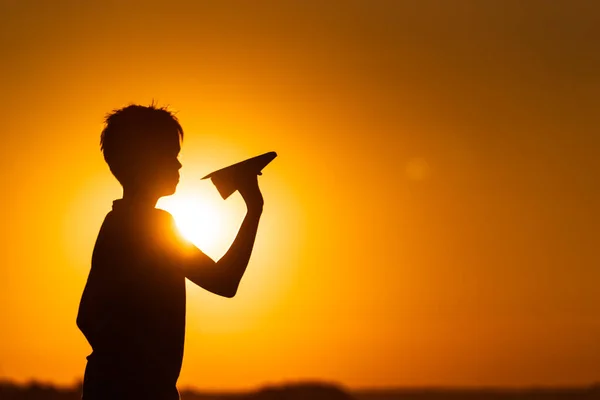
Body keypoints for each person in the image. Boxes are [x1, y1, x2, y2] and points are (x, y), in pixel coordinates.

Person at [76, 104, 264, 400]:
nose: (178, 166)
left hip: (110, 384)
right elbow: (225, 282)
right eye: (170, 156)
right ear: (144, 162)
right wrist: (254, 208)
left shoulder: (115, 222)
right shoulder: (152, 225)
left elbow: (85, 316)